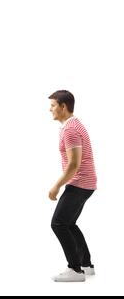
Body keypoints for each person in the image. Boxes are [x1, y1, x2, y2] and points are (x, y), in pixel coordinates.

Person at [48, 90, 96, 282]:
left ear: (63, 106)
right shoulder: (73, 125)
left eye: (52, 105)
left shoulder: (70, 129)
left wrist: (56, 186)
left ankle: (75, 270)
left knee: (58, 223)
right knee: (69, 223)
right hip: (86, 183)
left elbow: (74, 165)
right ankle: (86, 265)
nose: (49, 109)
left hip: (79, 183)